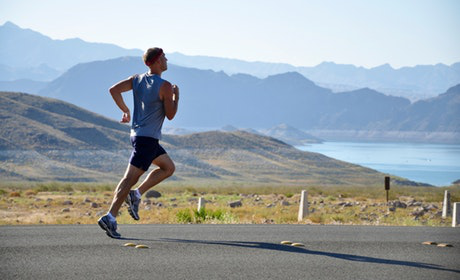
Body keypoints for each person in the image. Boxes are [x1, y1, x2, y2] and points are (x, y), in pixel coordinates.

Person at [98, 47, 179, 238]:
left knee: (168, 168)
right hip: (147, 139)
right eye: (165, 57)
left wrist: (125, 110)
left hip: (139, 136)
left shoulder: (137, 79)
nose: (167, 60)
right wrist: (177, 96)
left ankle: (136, 194)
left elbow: (114, 90)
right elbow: (171, 115)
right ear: (158, 61)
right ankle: (110, 216)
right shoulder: (165, 86)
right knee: (129, 179)